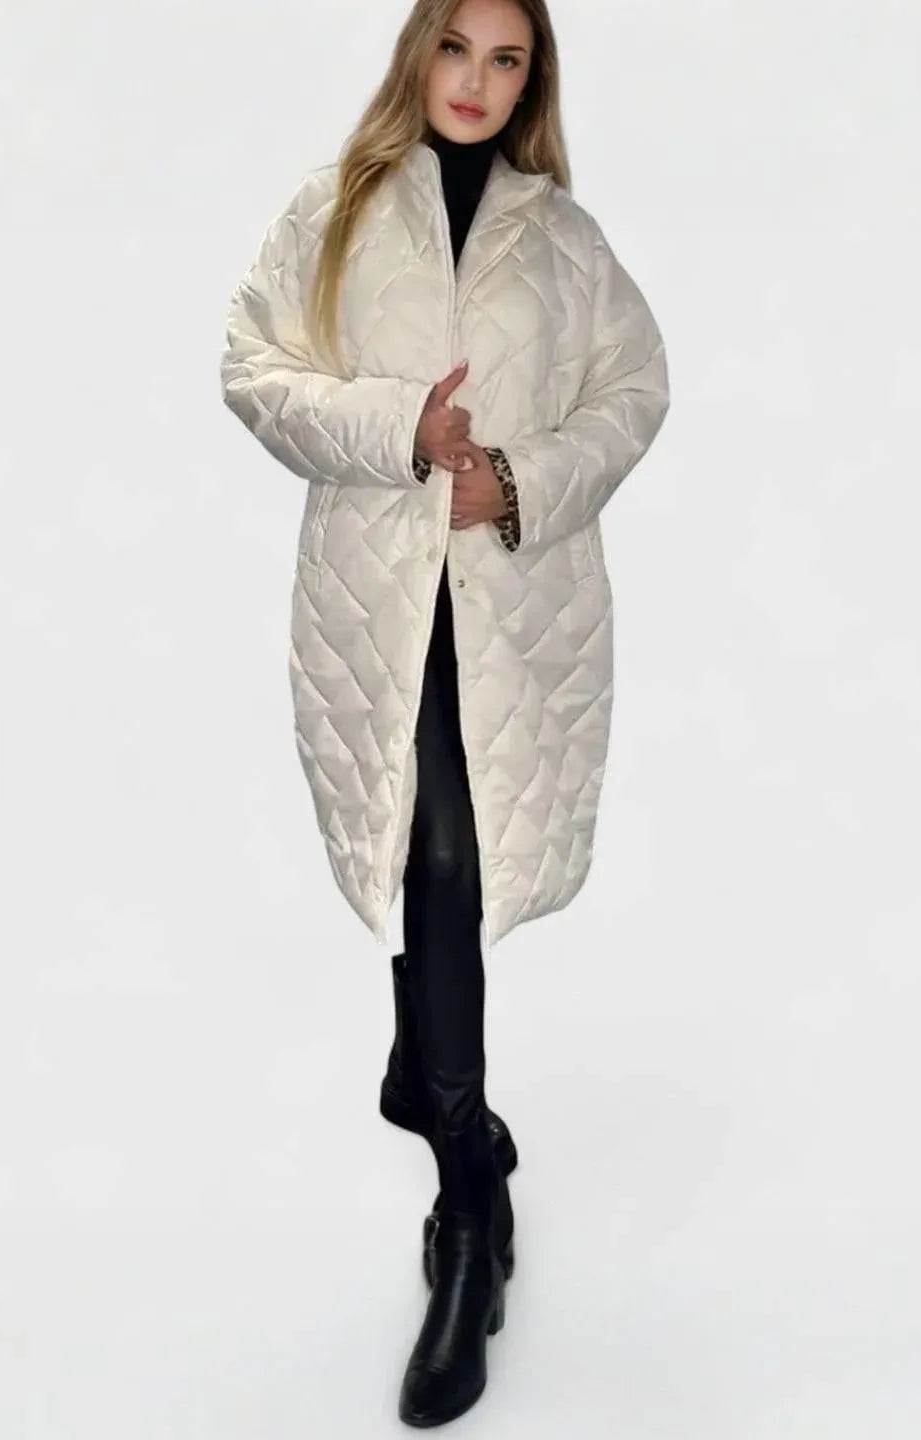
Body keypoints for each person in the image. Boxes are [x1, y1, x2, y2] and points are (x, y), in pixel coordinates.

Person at [219, 0, 670, 1425]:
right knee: (426, 858)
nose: (476, 80)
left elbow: (637, 391)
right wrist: (400, 428)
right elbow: (253, 368)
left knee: (453, 868)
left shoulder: (564, 239)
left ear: (531, 82)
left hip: (512, 616)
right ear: (420, 53)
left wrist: (516, 479)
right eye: (457, 48)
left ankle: (442, 1130)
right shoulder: (337, 211)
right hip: (378, 603)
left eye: (507, 58)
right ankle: (468, 1174)